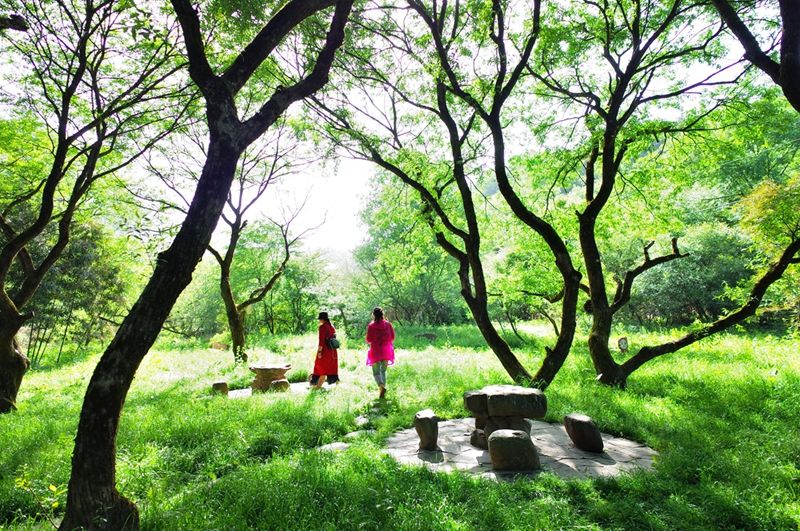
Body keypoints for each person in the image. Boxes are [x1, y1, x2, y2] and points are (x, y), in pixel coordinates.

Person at [365, 307, 395, 399]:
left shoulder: (371, 326)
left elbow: (369, 339)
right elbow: (392, 337)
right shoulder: (388, 324)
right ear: (382, 314)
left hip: (375, 351)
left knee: (376, 372)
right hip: (386, 350)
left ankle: (381, 386)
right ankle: (382, 390)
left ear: (373, 315)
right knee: (383, 371)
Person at [311, 311, 339, 388]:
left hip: (325, 351)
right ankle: (337, 385)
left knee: (320, 368)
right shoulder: (332, 326)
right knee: (330, 368)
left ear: (322, 319)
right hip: (332, 351)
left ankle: (317, 387)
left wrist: (320, 352)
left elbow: (321, 341)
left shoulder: (322, 327)